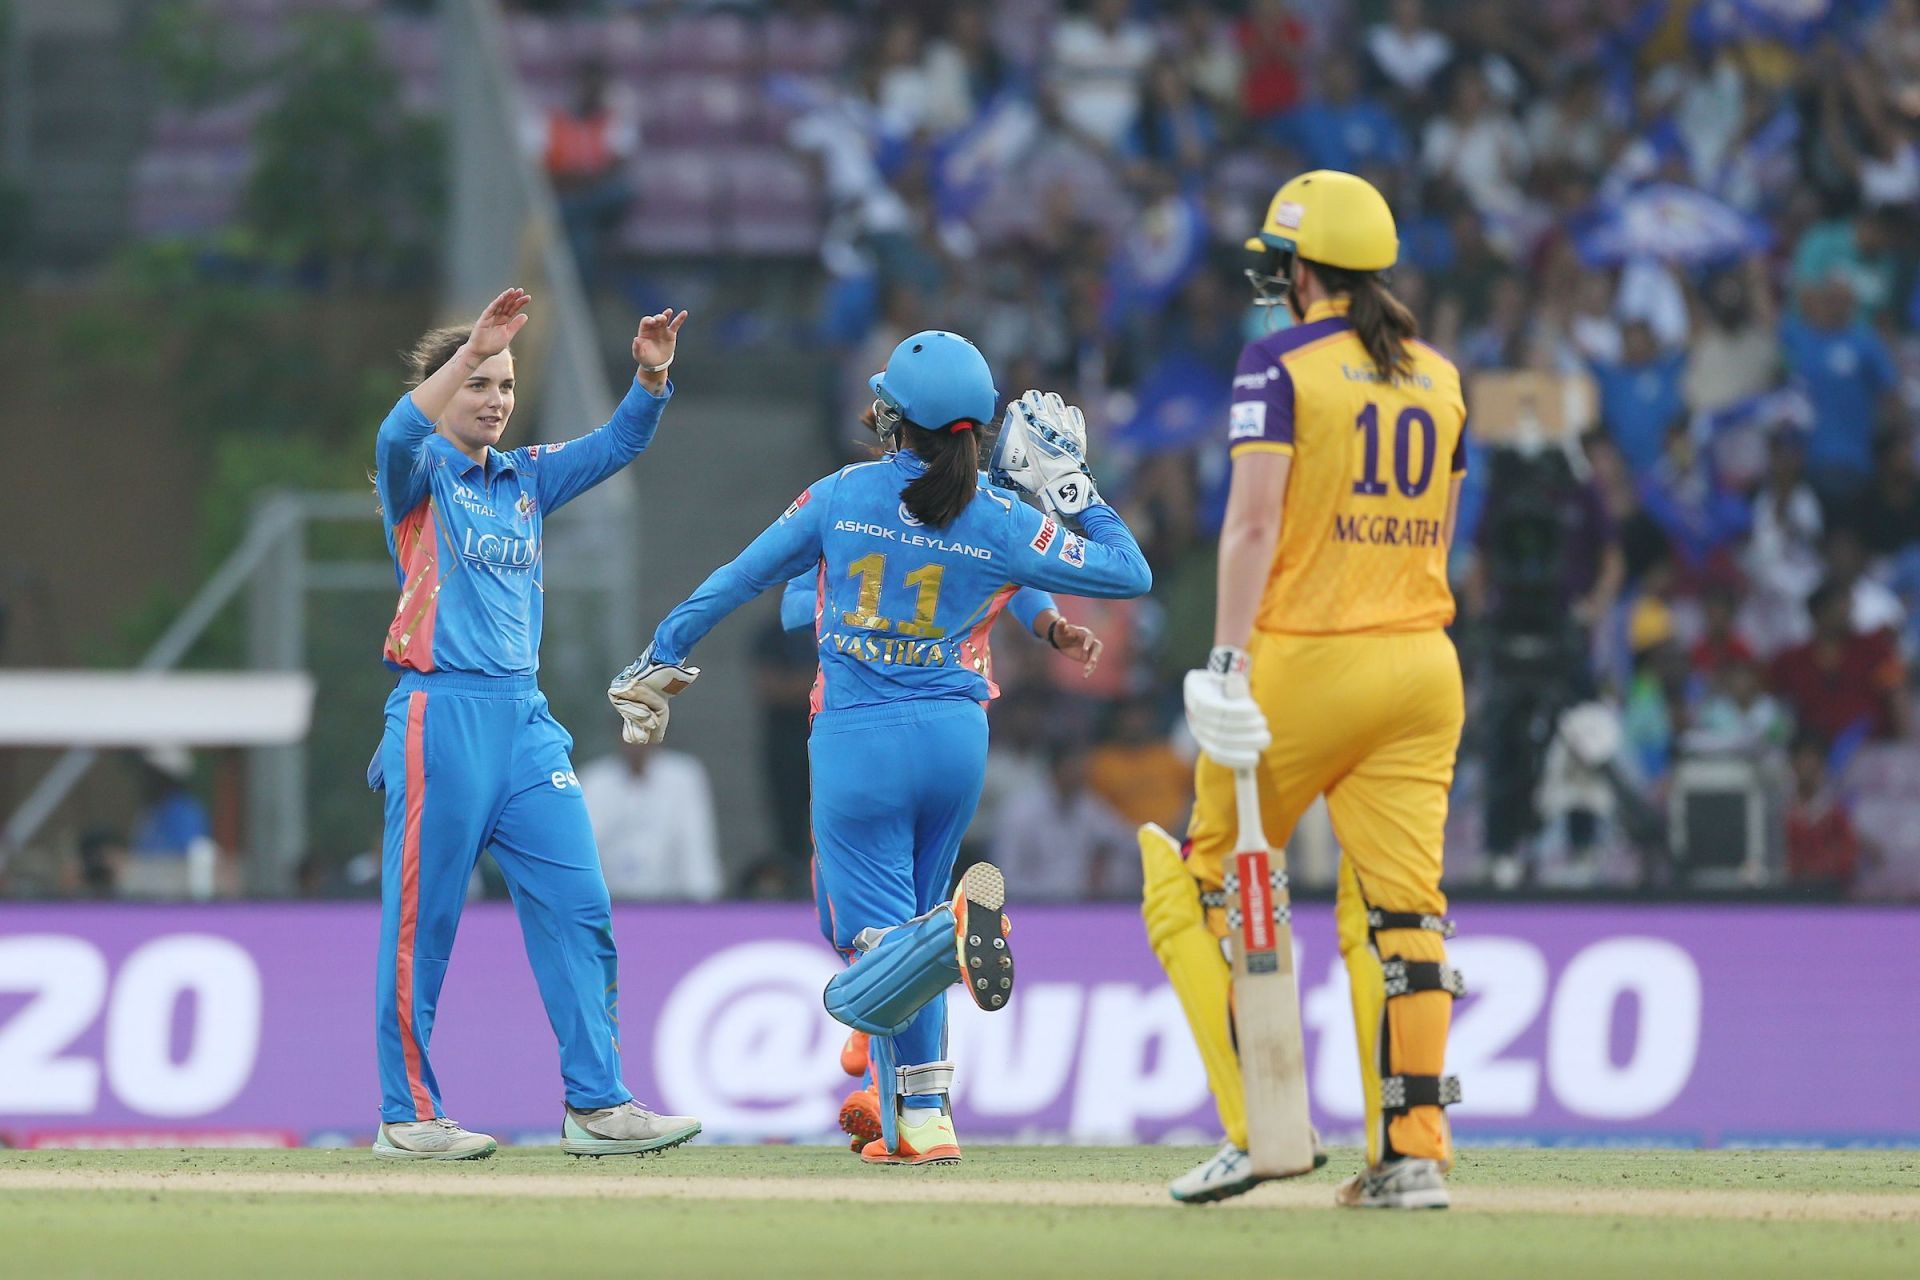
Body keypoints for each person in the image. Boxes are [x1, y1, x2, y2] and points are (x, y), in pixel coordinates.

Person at [610, 331, 1151, 1165]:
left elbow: (739, 577)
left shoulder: (840, 495)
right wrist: (1073, 494)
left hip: (859, 744)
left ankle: (938, 948)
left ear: (892, 416)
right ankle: (924, 1117)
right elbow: (1126, 572)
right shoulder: (1002, 515)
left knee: (866, 945)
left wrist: (664, 649)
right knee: (905, 930)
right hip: (955, 744)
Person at [1147, 171, 1468, 1209]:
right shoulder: (1444, 378)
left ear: (1298, 271)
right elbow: (1440, 534)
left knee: (1196, 885)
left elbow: (1250, 524)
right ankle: (1411, 1152)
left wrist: (1227, 657)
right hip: (1422, 662)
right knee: (1399, 911)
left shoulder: (1277, 362)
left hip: (1305, 657)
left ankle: (1262, 1129)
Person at [367, 287, 700, 1161]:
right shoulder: (420, 475)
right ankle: (407, 1116)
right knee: (423, 923)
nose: (496, 400)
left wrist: (652, 375)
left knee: (579, 904)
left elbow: (621, 441)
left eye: (506, 384)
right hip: (440, 713)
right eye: (479, 382)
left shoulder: (526, 478)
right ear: (447, 384)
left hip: (524, 719)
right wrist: (464, 349)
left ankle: (597, 1105)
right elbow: (394, 436)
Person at [578, 737, 722, 901]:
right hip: (609, 904)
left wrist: (704, 904)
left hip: (670, 905)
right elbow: (584, 850)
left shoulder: (684, 777)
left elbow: (695, 845)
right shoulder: (593, 780)